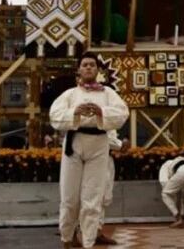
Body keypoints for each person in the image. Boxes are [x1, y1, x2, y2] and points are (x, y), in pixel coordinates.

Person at [50, 55, 130, 249]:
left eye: (92, 65)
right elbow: (55, 116)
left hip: (99, 143)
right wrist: (75, 112)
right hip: (74, 143)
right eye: (84, 65)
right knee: (69, 197)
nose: (88, 68)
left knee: (92, 198)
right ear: (79, 70)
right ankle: (67, 238)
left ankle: (88, 242)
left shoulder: (108, 93)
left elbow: (122, 113)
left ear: (98, 70)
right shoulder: (70, 94)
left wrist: (101, 111)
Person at [158, 154, 184, 228]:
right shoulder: (181, 159)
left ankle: (178, 218)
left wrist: (173, 204)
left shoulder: (165, 166)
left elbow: (164, 183)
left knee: (165, 194)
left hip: (183, 172)